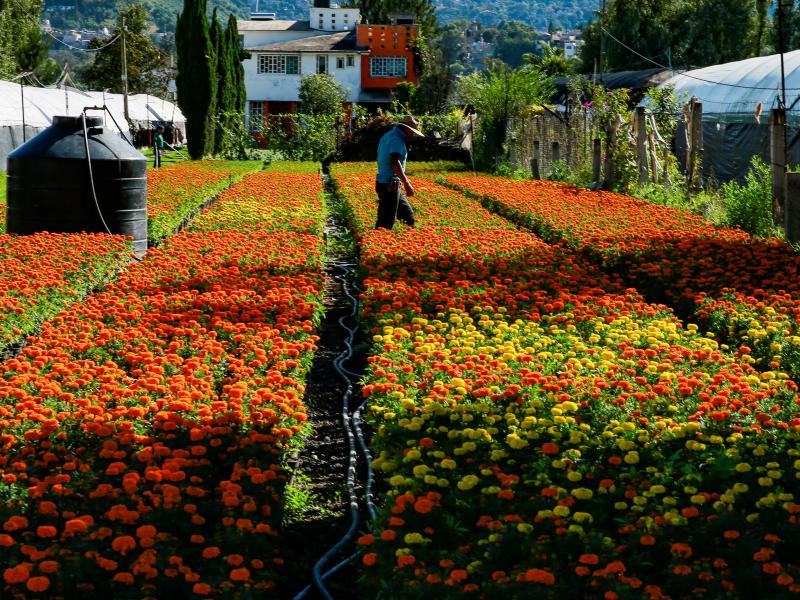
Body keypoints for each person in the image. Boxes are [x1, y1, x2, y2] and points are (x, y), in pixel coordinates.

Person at [375, 115, 424, 230]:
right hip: (389, 184)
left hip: (389, 183)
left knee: (408, 216)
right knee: (386, 222)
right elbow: (395, 162)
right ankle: (377, 244)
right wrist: (407, 183)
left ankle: (411, 243)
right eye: (413, 132)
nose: (413, 134)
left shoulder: (388, 135)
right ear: (407, 129)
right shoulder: (397, 139)